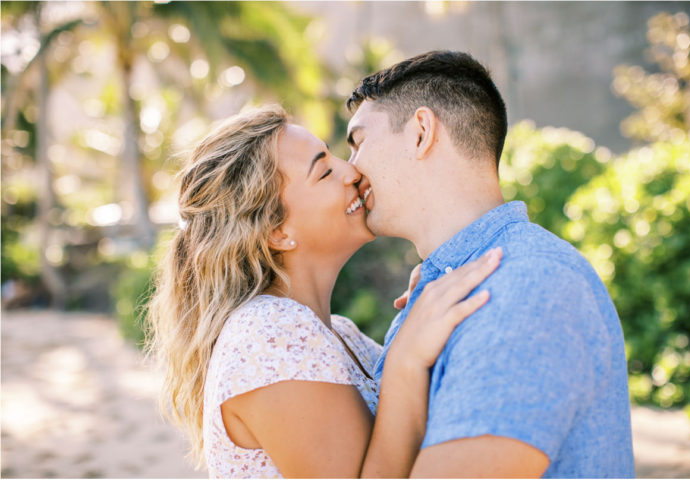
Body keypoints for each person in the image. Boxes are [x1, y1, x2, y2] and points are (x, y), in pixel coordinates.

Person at [146, 104, 503, 478]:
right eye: (325, 171)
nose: (352, 171)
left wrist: (420, 313)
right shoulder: (268, 336)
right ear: (276, 232)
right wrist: (406, 360)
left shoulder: (339, 332)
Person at [345, 50, 635, 478]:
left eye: (358, 142)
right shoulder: (456, 287)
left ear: (421, 132)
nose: (350, 170)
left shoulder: (524, 287)